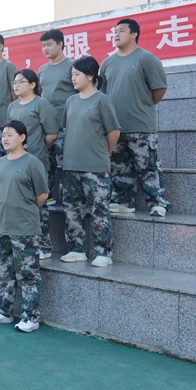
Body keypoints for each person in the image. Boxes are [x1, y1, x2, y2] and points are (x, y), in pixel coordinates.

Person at [100, 18, 170, 217]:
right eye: (115, 31)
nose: (116, 34)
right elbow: (103, 95)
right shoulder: (107, 63)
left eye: (121, 31)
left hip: (141, 125)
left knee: (148, 166)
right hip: (115, 127)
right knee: (119, 167)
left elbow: (159, 89)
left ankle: (157, 203)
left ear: (134, 34)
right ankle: (123, 202)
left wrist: (143, 105)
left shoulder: (147, 59)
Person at [0, 120, 48, 333]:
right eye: (3, 135)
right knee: (4, 271)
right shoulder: (0, 162)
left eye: (10, 134)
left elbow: (42, 195)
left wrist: (24, 209)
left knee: (28, 274)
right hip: (1, 226)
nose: (5, 138)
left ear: (22, 137)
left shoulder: (32, 163)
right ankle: (4, 311)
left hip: (24, 228)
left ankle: (31, 317)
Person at [60, 56, 120, 267]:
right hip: (71, 165)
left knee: (99, 211)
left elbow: (113, 132)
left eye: (77, 74)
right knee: (71, 210)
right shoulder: (71, 101)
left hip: (95, 167)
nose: (73, 78)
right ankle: (76, 250)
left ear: (90, 75)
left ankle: (104, 253)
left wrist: (104, 153)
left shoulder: (102, 100)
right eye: (72, 74)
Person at [7, 69, 59, 260]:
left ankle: (44, 246)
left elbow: (52, 133)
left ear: (32, 84)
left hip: (36, 161)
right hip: (15, 163)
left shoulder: (41, 104)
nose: (16, 85)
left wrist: (38, 147)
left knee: (39, 205)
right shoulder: (12, 107)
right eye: (14, 82)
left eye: (20, 81)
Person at [38, 29, 77, 205]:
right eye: (43, 46)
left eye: (49, 44)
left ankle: (71, 197)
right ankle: (49, 195)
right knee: (47, 160)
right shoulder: (42, 70)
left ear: (60, 44)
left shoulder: (72, 66)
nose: (45, 49)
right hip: (46, 125)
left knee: (68, 161)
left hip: (67, 123)